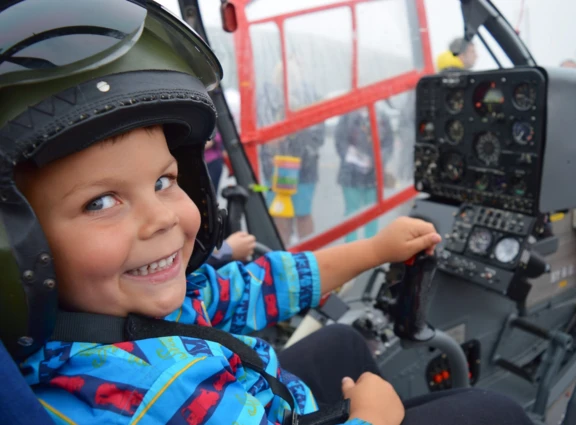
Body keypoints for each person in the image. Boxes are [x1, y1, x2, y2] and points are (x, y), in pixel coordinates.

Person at [0, 2, 535, 425]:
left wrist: (375, 250)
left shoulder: (136, 305)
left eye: (164, 181)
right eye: (101, 201)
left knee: (347, 342)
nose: (161, 218)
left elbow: (253, 285)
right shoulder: (144, 402)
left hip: (265, 393)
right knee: (494, 412)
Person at [258, 60, 325, 246]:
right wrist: (273, 140)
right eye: (280, 78)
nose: (284, 82)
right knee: (280, 217)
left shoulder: (311, 97)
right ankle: (283, 255)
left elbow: (318, 137)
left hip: (304, 170)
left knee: (302, 214)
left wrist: (297, 127)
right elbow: (260, 133)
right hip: (275, 170)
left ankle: (308, 253)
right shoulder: (267, 100)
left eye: (289, 77)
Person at [335, 108, 394, 242]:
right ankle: (350, 250)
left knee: (372, 214)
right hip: (351, 176)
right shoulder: (347, 116)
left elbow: (388, 144)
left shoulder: (382, 116)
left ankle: (370, 250)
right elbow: (340, 142)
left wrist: (377, 159)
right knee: (351, 213)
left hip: (373, 176)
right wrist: (356, 158)